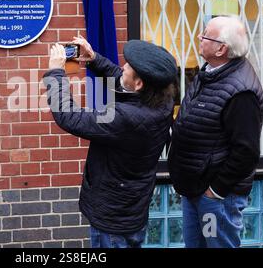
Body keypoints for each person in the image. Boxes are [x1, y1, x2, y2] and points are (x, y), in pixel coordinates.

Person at [43, 37, 178, 248]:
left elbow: (70, 117)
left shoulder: (125, 117)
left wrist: (55, 73)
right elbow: (123, 80)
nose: (123, 66)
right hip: (130, 208)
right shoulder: (162, 100)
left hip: (112, 218)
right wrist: (94, 59)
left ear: (140, 83)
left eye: (128, 66)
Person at [167, 16, 263, 248]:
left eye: (206, 35)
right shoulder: (210, 72)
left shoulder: (242, 92)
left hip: (215, 198)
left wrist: (215, 191)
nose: (199, 37)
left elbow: (246, 151)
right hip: (194, 189)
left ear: (222, 48)